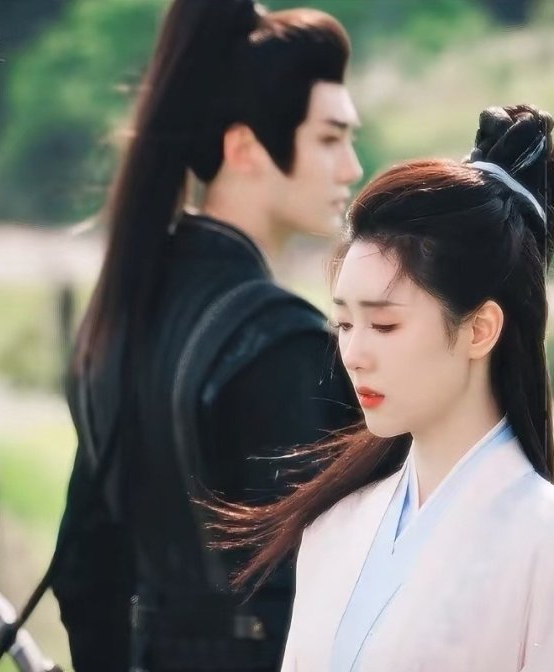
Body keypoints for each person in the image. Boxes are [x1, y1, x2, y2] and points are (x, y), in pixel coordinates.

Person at [214, 105, 554, 671]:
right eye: (345, 323)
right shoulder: (334, 524)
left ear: (479, 329)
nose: (352, 354)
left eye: (384, 325)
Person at [49, 1, 363, 670]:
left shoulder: (121, 315)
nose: (351, 168)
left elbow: (83, 575)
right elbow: (318, 602)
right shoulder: (281, 345)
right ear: (244, 148)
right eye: (330, 138)